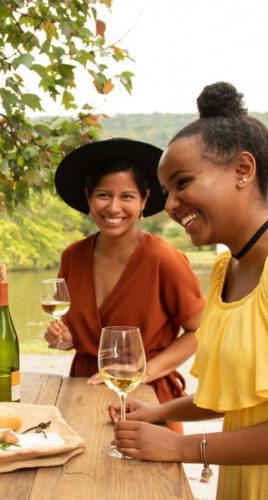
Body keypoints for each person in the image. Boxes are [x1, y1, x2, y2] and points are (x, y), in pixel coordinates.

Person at [110, 82, 268, 499]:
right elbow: (238, 392)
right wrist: (161, 412)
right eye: (167, 193)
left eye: (182, 183)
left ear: (242, 170)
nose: (173, 203)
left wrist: (181, 446)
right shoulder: (224, 270)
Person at [47, 137, 205, 432]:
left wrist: (145, 372)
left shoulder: (164, 259)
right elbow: (71, 329)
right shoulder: (73, 256)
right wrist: (64, 337)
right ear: (88, 197)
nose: (114, 207)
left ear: (145, 200)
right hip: (83, 392)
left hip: (145, 400)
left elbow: (201, 331)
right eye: (104, 195)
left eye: (128, 197)